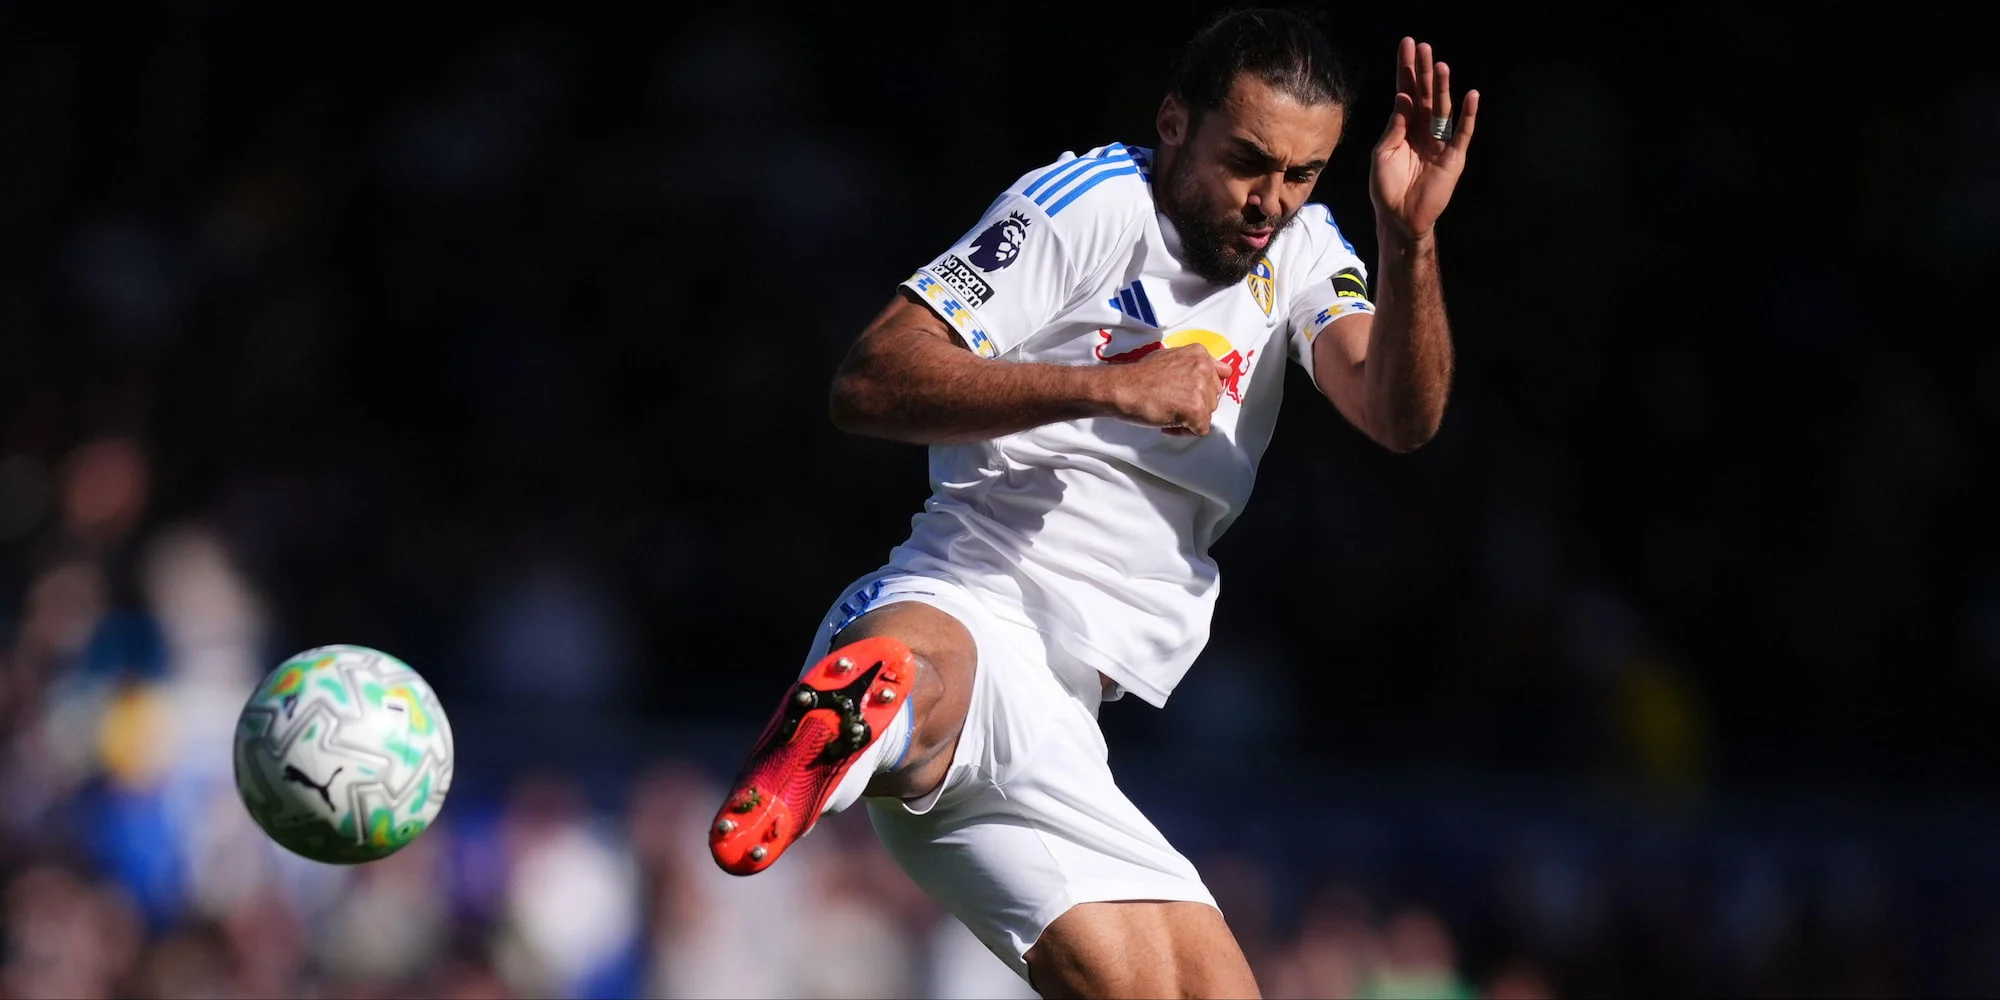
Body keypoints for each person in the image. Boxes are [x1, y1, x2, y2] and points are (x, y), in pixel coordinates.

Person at [709, 9, 1479, 997]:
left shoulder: (1302, 251)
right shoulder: (1085, 205)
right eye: (1247, 160)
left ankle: (881, 731)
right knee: (935, 670)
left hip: (1067, 716)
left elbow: (1396, 413)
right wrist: (1110, 385)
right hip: (969, 597)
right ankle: (877, 711)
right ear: (1173, 122)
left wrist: (1408, 235)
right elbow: (870, 379)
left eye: (1299, 175)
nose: (1268, 200)